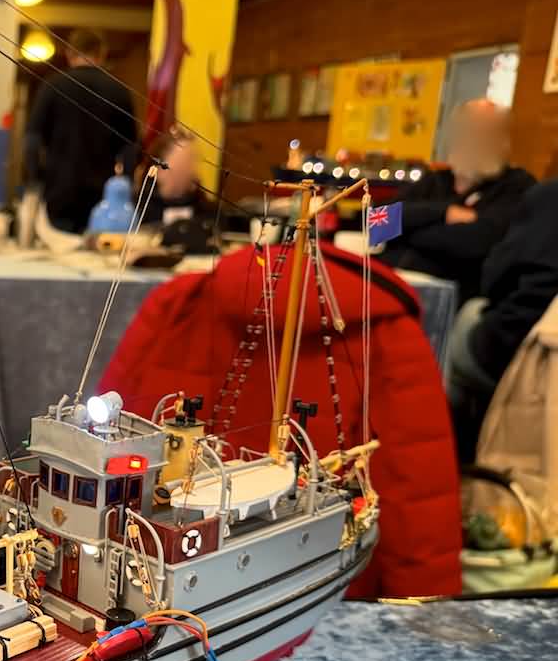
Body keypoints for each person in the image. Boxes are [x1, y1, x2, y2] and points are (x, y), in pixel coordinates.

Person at [99, 243, 462, 599]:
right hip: (325, 585)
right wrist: (424, 605)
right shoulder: (386, 329)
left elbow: (111, 424)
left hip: (152, 567)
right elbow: (419, 485)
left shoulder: (180, 301)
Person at [379, 99, 534, 303]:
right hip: (389, 280)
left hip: (447, 295)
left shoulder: (516, 186)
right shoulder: (435, 181)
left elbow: (478, 243)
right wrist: (444, 212)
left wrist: (406, 231)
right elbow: (376, 224)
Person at [447, 178, 558, 459]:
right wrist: (440, 214)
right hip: (525, 333)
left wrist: (418, 227)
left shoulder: (520, 189)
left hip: (527, 348)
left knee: (460, 326)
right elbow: (379, 225)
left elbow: (486, 260)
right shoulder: (428, 184)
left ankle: (455, 458)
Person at [24, 29, 138, 234]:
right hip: (102, 194)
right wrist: (125, 184)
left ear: (69, 54)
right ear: (102, 54)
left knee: (60, 245)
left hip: (58, 189)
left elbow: (32, 141)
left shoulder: (52, 86)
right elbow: (130, 147)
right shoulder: (119, 91)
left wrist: (37, 178)